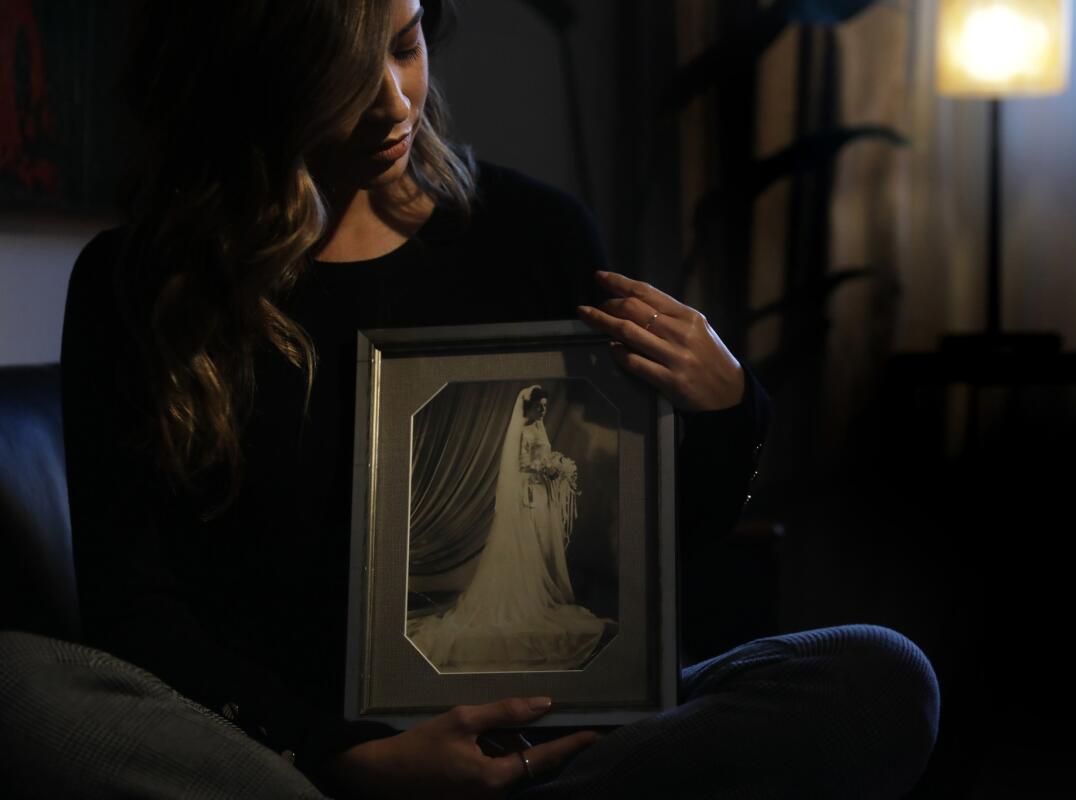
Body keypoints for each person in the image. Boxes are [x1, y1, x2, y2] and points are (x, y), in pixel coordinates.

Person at [10, 0, 938, 797]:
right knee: (20, 687)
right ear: (258, 76)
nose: (394, 99)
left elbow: (644, 547)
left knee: (877, 673)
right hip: (291, 762)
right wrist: (349, 760)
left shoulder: (530, 234)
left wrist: (729, 403)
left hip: (563, 739)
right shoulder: (138, 284)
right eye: (342, 71)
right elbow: (139, 618)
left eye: (406, 44)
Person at [407, 384, 607, 673]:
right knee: (523, 547)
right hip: (526, 495)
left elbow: (540, 460)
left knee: (536, 548)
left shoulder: (538, 429)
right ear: (529, 406)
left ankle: (535, 595)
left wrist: (554, 469)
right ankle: (522, 601)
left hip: (537, 495)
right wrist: (551, 468)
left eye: (546, 407)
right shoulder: (524, 432)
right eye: (540, 406)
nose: (543, 411)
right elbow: (525, 465)